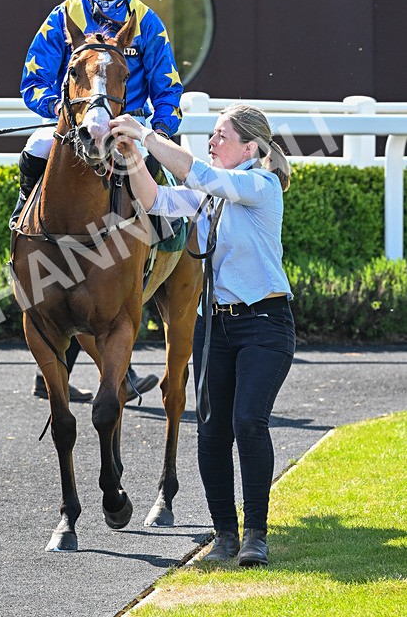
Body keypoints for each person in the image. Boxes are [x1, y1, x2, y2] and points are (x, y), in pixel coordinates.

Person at [109, 103, 296, 567]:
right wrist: (132, 156)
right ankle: (225, 536)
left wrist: (146, 134)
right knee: (211, 432)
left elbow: (202, 174)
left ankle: (256, 535)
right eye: (212, 135)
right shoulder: (210, 194)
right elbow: (155, 200)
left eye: (221, 136)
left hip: (265, 324)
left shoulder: (261, 184)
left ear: (249, 148)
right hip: (216, 326)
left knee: (247, 422)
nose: (212, 142)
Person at [12, 0, 183, 402]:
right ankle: (24, 226)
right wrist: (64, 110)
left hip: (127, 129)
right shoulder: (62, 16)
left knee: (148, 169)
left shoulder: (147, 22)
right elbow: (33, 82)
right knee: (35, 150)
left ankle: (160, 246)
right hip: (73, 127)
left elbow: (168, 89)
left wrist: (157, 130)